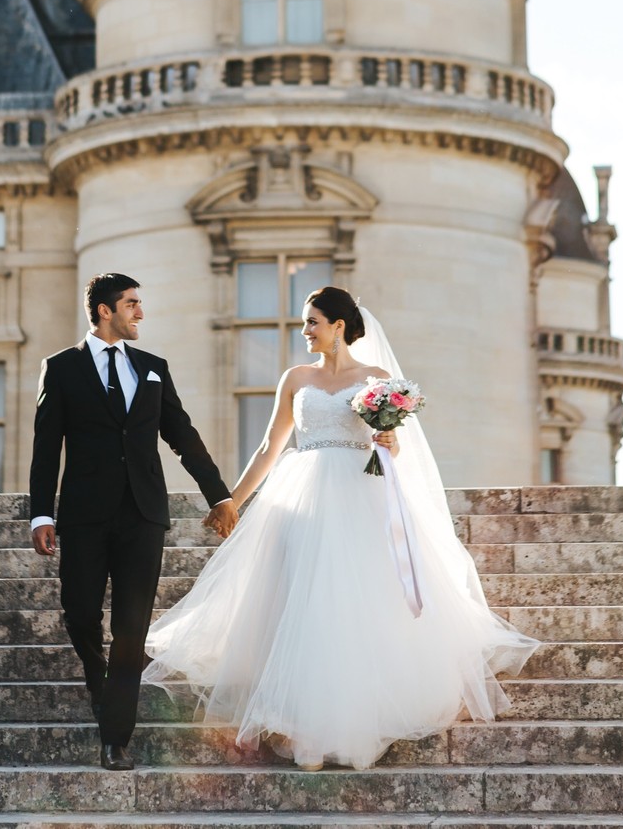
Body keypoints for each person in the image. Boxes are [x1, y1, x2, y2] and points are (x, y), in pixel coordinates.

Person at [143, 285, 539, 771]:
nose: (304, 330)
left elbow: (394, 451)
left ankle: (353, 728)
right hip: (302, 495)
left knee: (354, 607)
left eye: (312, 321)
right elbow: (270, 446)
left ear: (337, 326)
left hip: (359, 496)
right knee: (300, 603)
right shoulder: (295, 378)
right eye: (304, 322)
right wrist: (232, 502)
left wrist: (388, 439)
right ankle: (303, 729)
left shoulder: (376, 380)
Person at [28, 272, 236, 770]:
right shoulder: (60, 368)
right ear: (104, 310)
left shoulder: (153, 368)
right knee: (79, 613)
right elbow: (45, 446)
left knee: (130, 629)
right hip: (83, 516)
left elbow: (182, 436)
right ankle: (97, 676)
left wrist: (219, 496)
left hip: (143, 515)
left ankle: (114, 736)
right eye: (131, 303)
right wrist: (41, 512)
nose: (140, 312)